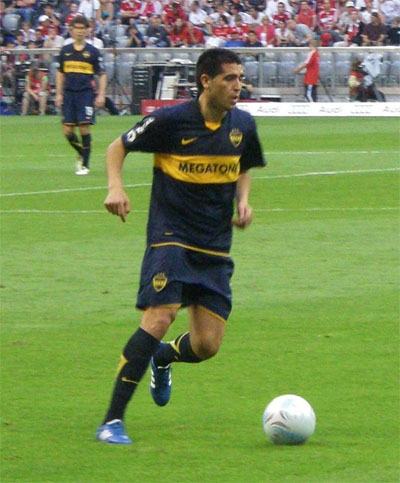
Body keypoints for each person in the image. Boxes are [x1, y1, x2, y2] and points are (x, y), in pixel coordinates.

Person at [96, 48, 266, 445]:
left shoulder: (243, 124)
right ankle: (112, 421)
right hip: (170, 236)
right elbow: (116, 147)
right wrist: (115, 187)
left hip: (214, 246)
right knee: (160, 315)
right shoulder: (171, 120)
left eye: (240, 78)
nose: (237, 85)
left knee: (207, 346)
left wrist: (243, 201)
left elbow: (244, 166)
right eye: (229, 78)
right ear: (206, 81)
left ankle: (165, 356)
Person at [55, 15, 106, 176]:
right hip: (69, 94)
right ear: (71, 30)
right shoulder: (65, 51)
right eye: (76, 29)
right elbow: (60, 73)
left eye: (82, 29)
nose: (79, 32)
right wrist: (58, 93)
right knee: (67, 131)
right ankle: (82, 152)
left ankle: (85, 164)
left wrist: (101, 94)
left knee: (84, 127)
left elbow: (102, 74)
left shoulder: (93, 52)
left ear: (87, 30)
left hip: (85, 94)